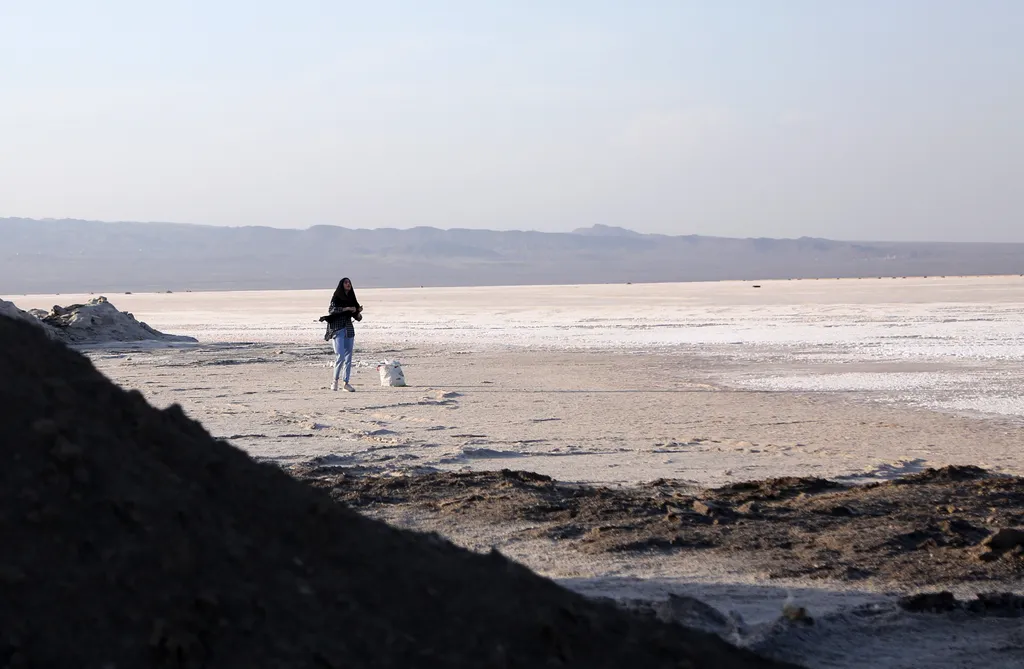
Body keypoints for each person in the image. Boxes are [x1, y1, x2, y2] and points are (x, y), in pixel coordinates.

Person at [320, 277, 362, 392]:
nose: (348, 284)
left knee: (348, 357)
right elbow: (332, 310)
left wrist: (357, 312)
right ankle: (334, 381)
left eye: (349, 283)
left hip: (348, 329)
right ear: (342, 285)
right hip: (337, 329)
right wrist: (347, 308)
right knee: (340, 356)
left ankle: (346, 383)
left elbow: (358, 317)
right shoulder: (337, 297)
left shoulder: (352, 298)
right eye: (346, 282)